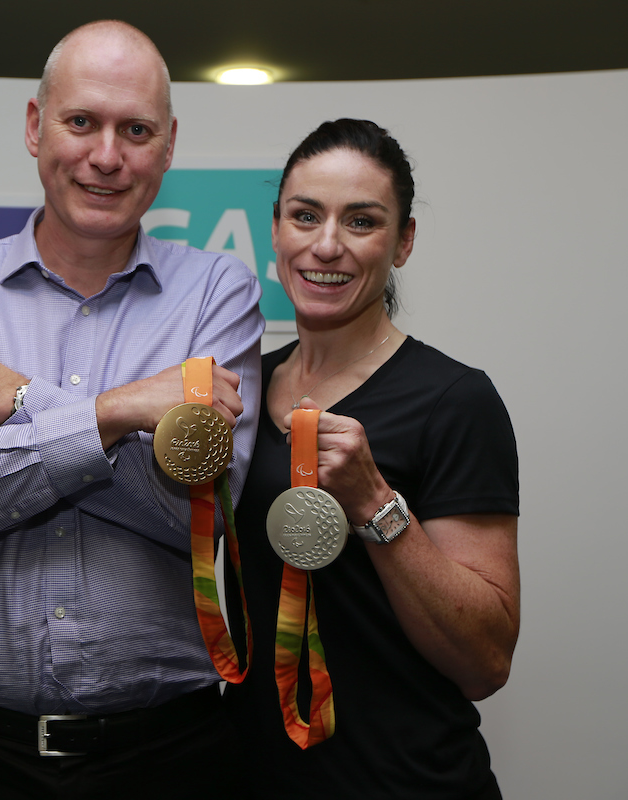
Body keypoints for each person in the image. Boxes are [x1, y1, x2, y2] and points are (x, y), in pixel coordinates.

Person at [0, 20, 263, 799]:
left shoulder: (217, 297)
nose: (107, 155)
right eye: (81, 121)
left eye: (136, 130)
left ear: (169, 144)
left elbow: (197, 515)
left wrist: (9, 398)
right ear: (34, 125)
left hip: (165, 757)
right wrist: (122, 414)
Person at [222, 119, 520, 798]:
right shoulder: (243, 389)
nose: (327, 246)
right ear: (276, 231)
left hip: (405, 781)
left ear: (403, 241)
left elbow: (485, 662)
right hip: (250, 776)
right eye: (306, 216)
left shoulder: (453, 399)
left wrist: (375, 505)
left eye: (361, 221)